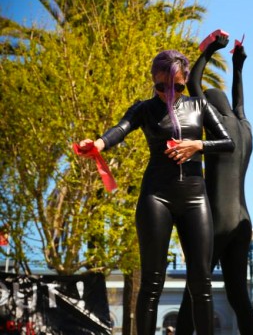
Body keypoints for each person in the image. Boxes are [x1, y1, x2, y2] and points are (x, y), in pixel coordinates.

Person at [77, 49, 234, 335]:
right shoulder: (144, 109)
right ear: (153, 80)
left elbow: (227, 142)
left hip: (195, 198)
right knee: (151, 281)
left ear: (186, 80)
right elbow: (120, 129)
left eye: (177, 86)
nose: (169, 93)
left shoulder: (199, 106)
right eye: (162, 86)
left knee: (201, 281)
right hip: (156, 197)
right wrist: (98, 144)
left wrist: (197, 145)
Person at [180, 33, 253, 334]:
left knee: (196, 287)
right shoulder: (244, 127)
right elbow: (240, 102)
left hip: (217, 218)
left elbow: (194, 84)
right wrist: (238, 65)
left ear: (209, 109)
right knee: (239, 295)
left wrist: (210, 49)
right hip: (243, 221)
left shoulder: (216, 128)